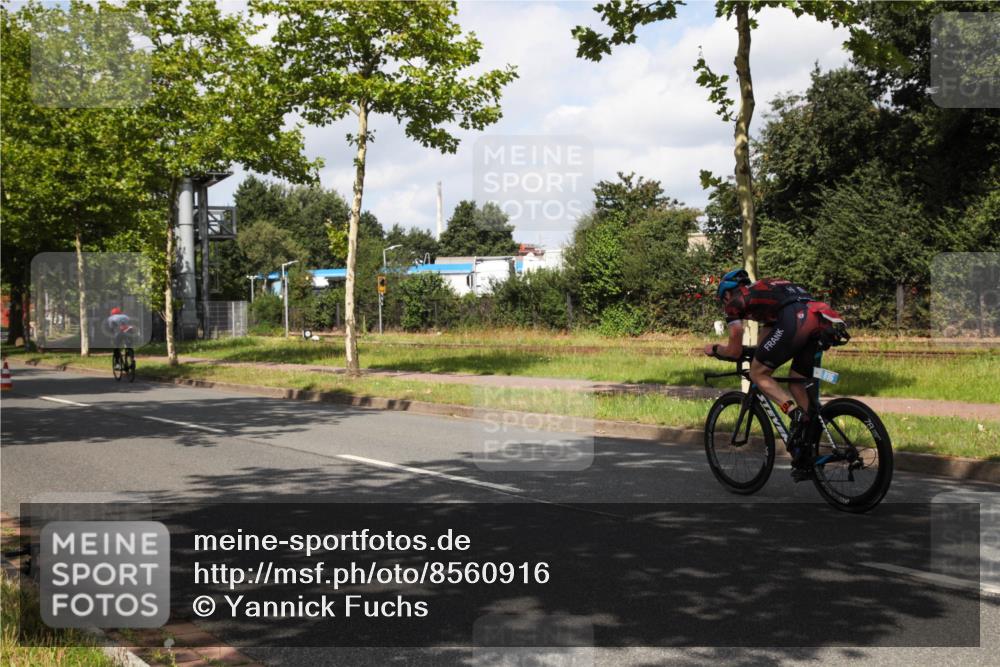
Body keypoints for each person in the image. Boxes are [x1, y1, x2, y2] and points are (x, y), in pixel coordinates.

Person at [703, 269, 824, 479]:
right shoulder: (764, 295)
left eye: (722, 300)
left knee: (758, 374)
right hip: (818, 318)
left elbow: (734, 350)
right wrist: (754, 353)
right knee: (796, 383)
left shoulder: (736, 302)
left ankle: (795, 414)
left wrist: (715, 350)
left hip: (795, 319)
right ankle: (806, 447)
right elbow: (766, 343)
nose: (724, 305)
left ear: (727, 294)